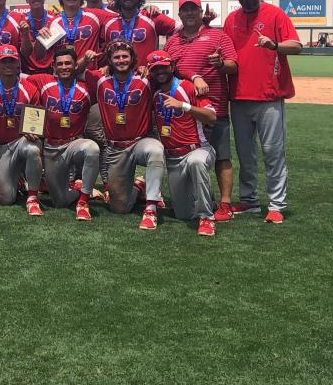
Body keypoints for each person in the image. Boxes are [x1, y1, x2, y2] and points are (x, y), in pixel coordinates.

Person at [223, 0, 302, 224]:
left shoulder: (275, 14)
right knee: (245, 153)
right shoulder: (231, 20)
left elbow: (297, 46)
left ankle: (277, 204)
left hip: (269, 96)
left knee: (272, 152)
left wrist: (275, 45)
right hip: (239, 96)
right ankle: (248, 201)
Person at [162, 0, 238, 221]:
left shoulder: (218, 36)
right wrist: (194, 76)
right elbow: (168, 70)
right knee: (188, 157)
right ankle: (194, 198)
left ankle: (224, 203)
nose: (189, 13)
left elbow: (233, 66)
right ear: (179, 14)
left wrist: (221, 64)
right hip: (182, 111)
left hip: (213, 108)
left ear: (201, 12)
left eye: (193, 9)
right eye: (185, 9)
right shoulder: (172, 41)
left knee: (222, 157)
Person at [85, 40, 165, 230]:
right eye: (116, 57)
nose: (121, 60)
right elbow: (75, 72)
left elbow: (169, 71)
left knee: (155, 150)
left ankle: (151, 208)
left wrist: (195, 77)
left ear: (132, 59)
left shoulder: (146, 78)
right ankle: (138, 187)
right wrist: (85, 60)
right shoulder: (100, 79)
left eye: (125, 56)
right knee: (118, 207)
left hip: (139, 142)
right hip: (115, 147)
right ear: (110, 61)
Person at [146, 50, 218, 237]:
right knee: (183, 215)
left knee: (197, 163)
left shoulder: (187, 87)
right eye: (155, 69)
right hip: (173, 157)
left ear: (171, 67)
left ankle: (207, 217)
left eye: (163, 67)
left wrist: (183, 106)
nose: (160, 72)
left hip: (198, 149)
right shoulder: (155, 95)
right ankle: (207, 199)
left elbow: (211, 117)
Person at [28, 46, 101, 220]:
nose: (64, 67)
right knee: (59, 201)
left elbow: (109, 77)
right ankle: (78, 189)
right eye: (60, 64)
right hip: (52, 147)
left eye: (68, 63)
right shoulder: (43, 81)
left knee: (92, 149)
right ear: (53, 66)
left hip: (74, 143)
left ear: (76, 65)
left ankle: (83, 202)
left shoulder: (87, 85)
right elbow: (16, 80)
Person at [0, 44, 42, 214]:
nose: (8, 66)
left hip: (20, 141)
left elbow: (36, 120)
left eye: (11, 61)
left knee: (34, 147)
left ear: (18, 64)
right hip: (1, 145)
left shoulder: (30, 89)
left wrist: (33, 131)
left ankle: (33, 197)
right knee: (6, 199)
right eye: (4, 62)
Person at [101, 0, 177, 63]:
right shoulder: (108, 22)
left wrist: (166, 55)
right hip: (117, 75)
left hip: (145, 75)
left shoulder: (151, 17)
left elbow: (183, 28)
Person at [16, 0, 55, 73]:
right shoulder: (21, 19)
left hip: (50, 70)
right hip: (28, 71)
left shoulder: (54, 19)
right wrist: (25, 34)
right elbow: (25, 52)